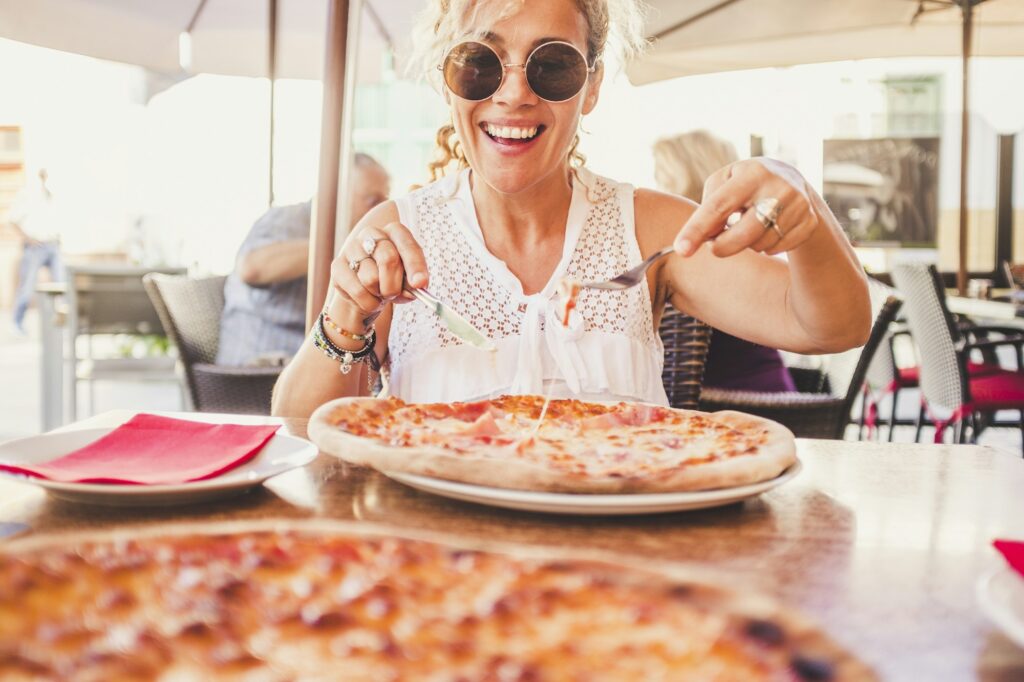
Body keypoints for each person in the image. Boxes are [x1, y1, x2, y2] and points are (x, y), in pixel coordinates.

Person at [272, 0, 871, 417]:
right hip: (440, 565)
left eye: (552, 65)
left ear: (592, 87)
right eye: (480, 62)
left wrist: (805, 213)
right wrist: (343, 315)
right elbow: (300, 424)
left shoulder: (649, 227)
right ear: (447, 80)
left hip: (614, 564)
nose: (512, 93)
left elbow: (835, 327)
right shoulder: (396, 232)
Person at [653, 130, 796, 392]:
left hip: (744, 401)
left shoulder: (706, 248)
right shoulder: (729, 235)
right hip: (736, 392)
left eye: (662, 171)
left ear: (684, 175)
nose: (655, 179)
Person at [216, 153, 390, 365]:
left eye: (385, 201)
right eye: (373, 201)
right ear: (337, 193)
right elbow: (252, 268)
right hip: (258, 363)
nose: (380, 210)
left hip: (307, 356)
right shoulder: (287, 219)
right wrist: (339, 246)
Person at [8, 168, 63, 336]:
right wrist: (28, 239)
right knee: (27, 287)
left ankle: (62, 322)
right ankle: (17, 323)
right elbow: (12, 220)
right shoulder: (27, 195)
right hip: (35, 247)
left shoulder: (52, 195)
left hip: (53, 245)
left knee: (61, 284)